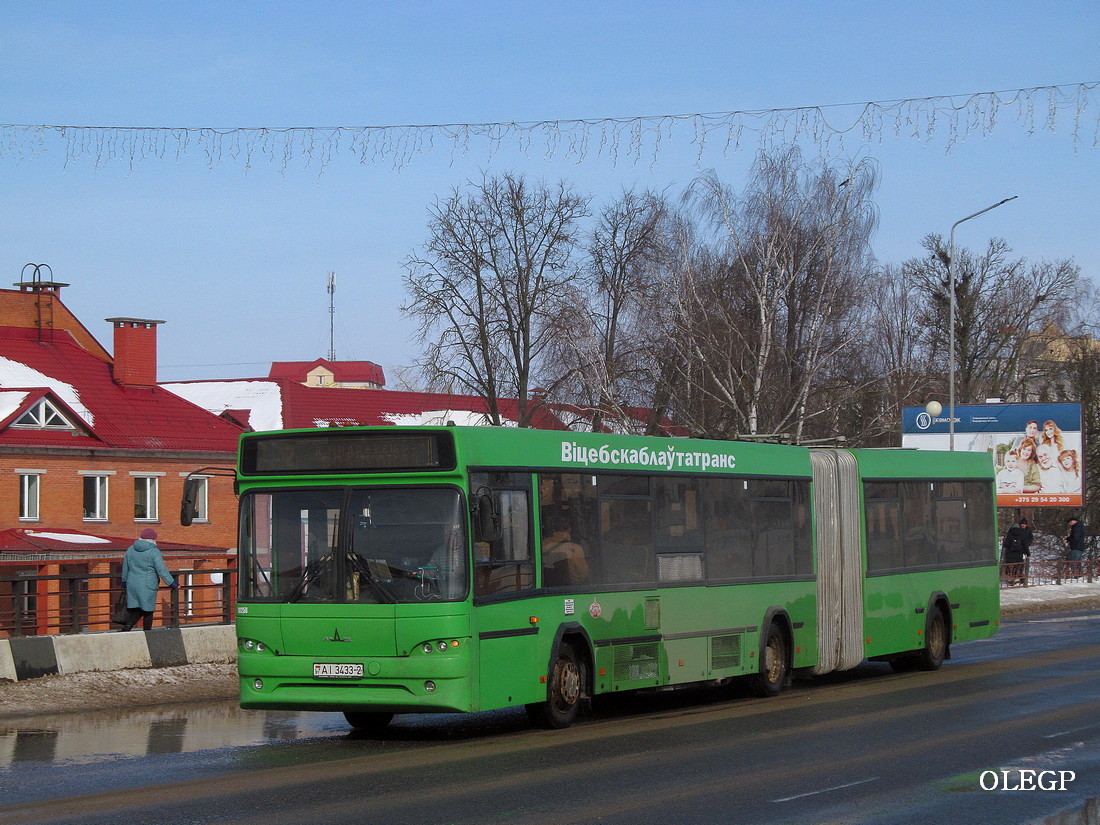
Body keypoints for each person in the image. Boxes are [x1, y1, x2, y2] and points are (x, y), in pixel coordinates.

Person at [120, 528, 178, 631]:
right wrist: (172, 583)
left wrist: (124, 581)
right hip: (147, 584)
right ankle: (147, 633)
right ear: (152, 539)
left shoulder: (131, 549)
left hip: (132, 583)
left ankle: (128, 626)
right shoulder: (154, 551)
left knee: (135, 608)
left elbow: (125, 567)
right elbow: (161, 569)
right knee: (148, 610)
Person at [541, 510, 589, 586]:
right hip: (570, 590)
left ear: (553, 529)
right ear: (570, 529)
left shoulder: (542, 546)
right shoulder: (575, 549)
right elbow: (583, 574)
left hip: (548, 589)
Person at [1001, 519, 1031, 586]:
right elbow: (1025, 545)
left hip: (1010, 554)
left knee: (1010, 567)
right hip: (1019, 554)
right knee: (1018, 566)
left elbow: (1005, 544)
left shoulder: (1009, 534)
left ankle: (1010, 579)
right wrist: (1028, 554)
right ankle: (1017, 579)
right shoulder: (1021, 534)